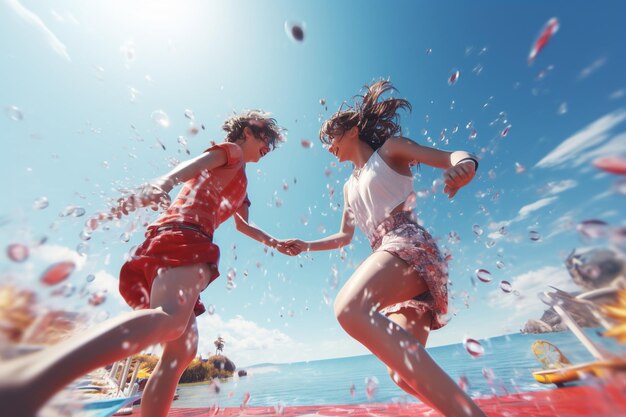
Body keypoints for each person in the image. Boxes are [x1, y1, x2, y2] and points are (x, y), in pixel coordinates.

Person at [0, 110, 290, 417]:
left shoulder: (243, 183)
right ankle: (33, 375)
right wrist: (163, 183)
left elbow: (245, 227)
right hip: (184, 233)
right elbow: (192, 168)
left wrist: (278, 243)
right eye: (266, 140)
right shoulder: (231, 153)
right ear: (247, 132)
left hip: (186, 238)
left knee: (181, 349)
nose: (268, 149)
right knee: (171, 319)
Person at [280, 81, 487, 417]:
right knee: (401, 374)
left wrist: (466, 166)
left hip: (409, 244)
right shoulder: (348, 187)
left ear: (352, 131)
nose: (328, 147)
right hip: (390, 256)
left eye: (331, 137)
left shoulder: (391, 150)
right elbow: (343, 237)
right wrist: (306, 246)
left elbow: (453, 155)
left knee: (348, 307)